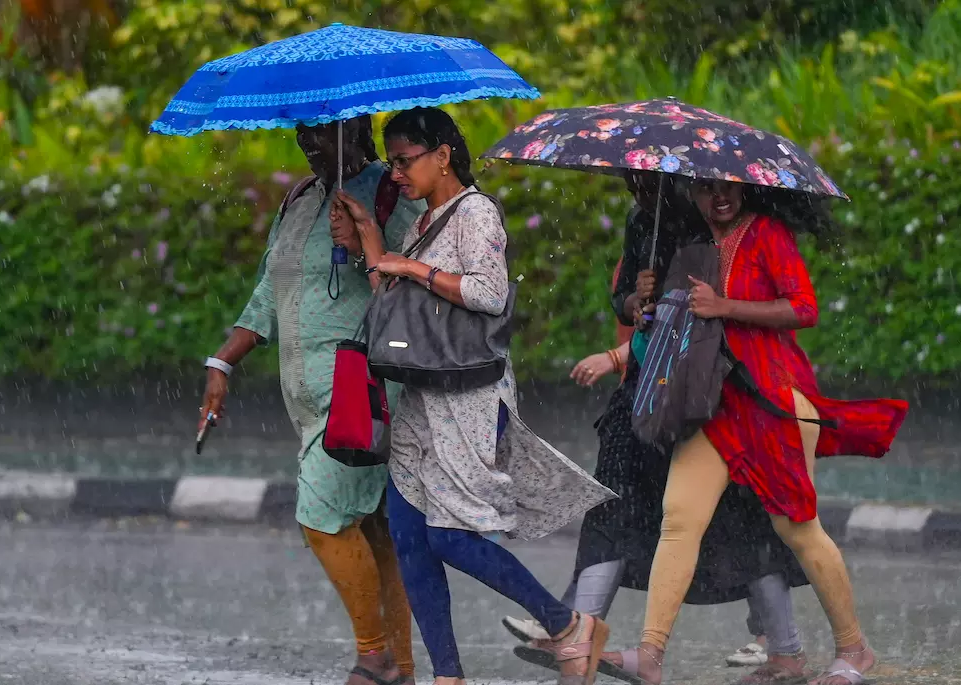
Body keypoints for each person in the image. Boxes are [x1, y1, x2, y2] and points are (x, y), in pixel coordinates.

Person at [330, 106, 616, 685]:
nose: (398, 173)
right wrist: (367, 236)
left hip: (467, 396)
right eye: (393, 162)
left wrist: (409, 266)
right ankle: (448, 676)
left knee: (449, 535)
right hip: (419, 395)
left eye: (406, 160)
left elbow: (487, 294)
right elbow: (398, 297)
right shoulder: (422, 221)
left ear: (443, 155)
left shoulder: (476, 213)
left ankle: (566, 625)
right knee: (410, 538)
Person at [504, 173, 814, 685]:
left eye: (647, 180)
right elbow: (629, 302)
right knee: (615, 505)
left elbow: (731, 308)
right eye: (630, 179)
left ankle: (784, 647)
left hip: (710, 391)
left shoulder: (719, 222)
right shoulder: (640, 217)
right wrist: (635, 302)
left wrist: (678, 298)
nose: (636, 188)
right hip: (647, 388)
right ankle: (582, 635)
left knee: (741, 515)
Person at [601, 178, 909, 685]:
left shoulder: (768, 234)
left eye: (729, 188)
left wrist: (726, 307)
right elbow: (678, 326)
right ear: (692, 194)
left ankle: (854, 651)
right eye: (706, 189)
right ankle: (650, 656)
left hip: (774, 402)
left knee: (797, 528)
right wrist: (646, 302)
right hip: (714, 407)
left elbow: (803, 308)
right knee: (678, 518)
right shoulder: (690, 244)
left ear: (745, 188)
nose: (720, 198)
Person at [199, 115, 424, 685]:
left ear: (357, 132)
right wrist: (223, 361)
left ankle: (373, 658)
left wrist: (365, 237)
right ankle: (402, 670)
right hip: (307, 398)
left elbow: (416, 281)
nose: (309, 144)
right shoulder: (300, 198)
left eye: (322, 133)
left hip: (362, 390)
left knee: (322, 517)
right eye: (304, 135)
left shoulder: (393, 193)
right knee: (375, 534)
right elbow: (270, 291)